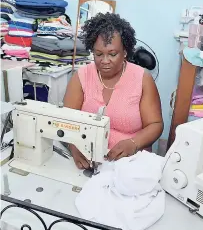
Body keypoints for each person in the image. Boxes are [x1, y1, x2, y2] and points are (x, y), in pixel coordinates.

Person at [64, 12, 163, 169]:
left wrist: (133, 143)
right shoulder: (81, 76)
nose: (104, 61)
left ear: (125, 52)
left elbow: (155, 124)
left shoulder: (142, 79)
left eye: (112, 54)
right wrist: (74, 147)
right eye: (98, 54)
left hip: (131, 162)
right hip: (89, 160)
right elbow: (66, 120)